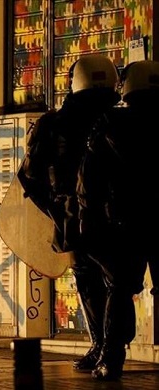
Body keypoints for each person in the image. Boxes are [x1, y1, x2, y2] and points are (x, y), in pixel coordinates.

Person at [16, 54, 122, 376]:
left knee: (89, 281)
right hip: (118, 215)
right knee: (116, 282)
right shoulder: (120, 120)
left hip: (73, 217)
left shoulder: (54, 123)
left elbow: (30, 177)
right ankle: (108, 349)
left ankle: (102, 347)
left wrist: (55, 209)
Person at [76, 60, 159, 380]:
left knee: (120, 288)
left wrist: (87, 216)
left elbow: (89, 178)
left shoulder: (110, 124)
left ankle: (111, 359)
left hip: (124, 221)